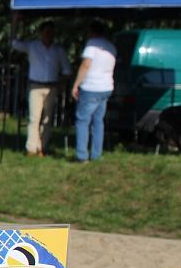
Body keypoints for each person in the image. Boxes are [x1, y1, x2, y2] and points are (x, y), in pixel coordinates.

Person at [12, 18, 72, 156]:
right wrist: (15, 22)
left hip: (52, 87)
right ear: (41, 33)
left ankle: (42, 146)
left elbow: (67, 70)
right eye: (46, 32)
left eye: (51, 32)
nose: (48, 35)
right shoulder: (32, 46)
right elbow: (14, 44)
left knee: (47, 119)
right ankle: (31, 148)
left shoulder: (58, 50)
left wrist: (62, 83)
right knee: (34, 118)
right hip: (36, 85)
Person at [70, 22, 116, 163]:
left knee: (83, 120)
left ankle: (82, 155)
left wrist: (76, 85)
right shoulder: (111, 47)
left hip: (91, 87)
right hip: (106, 87)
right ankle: (96, 154)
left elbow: (86, 65)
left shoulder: (91, 45)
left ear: (91, 32)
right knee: (98, 121)